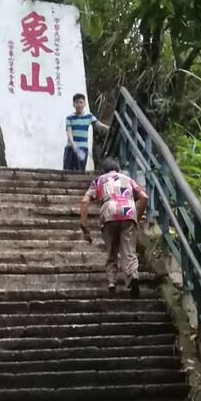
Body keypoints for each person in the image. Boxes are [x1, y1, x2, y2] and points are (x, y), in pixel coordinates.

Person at [80, 169, 148, 297]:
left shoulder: (100, 180)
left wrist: (84, 226)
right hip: (128, 212)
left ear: (103, 171)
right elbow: (144, 197)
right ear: (117, 169)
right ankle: (133, 276)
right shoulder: (128, 179)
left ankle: (112, 281)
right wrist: (136, 219)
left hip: (109, 213)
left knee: (111, 249)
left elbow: (84, 201)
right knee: (129, 250)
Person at [64, 94, 108, 171]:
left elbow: (98, 124)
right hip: (70, 148)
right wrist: (73, 144)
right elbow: (69, 132)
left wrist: (108, 127)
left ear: (85, 104)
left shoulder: (89, 117)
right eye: (77, 102)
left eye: (81, 102)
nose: (79, 105)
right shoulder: (69, 118)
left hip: (83, 148)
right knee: (67, 170)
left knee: (80, 170)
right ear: (73, 104)